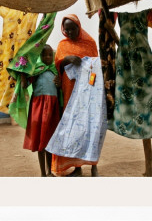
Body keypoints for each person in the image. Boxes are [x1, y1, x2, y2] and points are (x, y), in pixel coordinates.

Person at [50, 14, 99, 177]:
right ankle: (77, 167)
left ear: (79, 27)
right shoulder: (62, 45)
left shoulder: (90, 43)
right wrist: (66, 60)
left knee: (89, 129)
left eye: (73, 28)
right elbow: (57, 67)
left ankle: (93, 166)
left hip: (86, 93)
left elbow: (96, 68)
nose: (69, 32)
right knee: (73, 130)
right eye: (67, 29)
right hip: (69, 92)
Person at [20, 45, 61, 177]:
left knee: (49, 140)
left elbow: (61, 88)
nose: (47, 57)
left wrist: (59, 83)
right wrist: (22, 72)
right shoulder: (36, 71)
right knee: (40, 141)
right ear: (39, 56)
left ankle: (50, 171)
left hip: (53, 108)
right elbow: (24, 85)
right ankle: (43, 173)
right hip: (39, 107)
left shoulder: (55, 71)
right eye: (44, 55)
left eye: (50, 55)